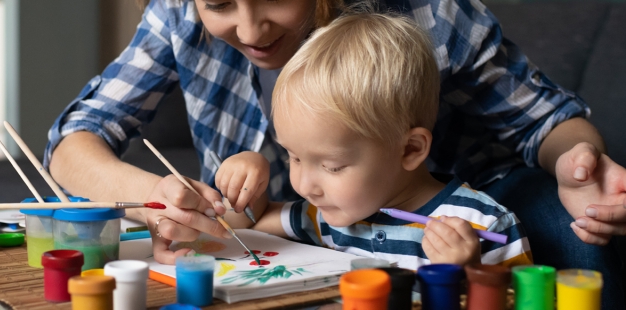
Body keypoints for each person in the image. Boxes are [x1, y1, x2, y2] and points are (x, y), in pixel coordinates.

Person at [44, 0, 625, 307]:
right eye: (219, 2)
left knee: (579, 237)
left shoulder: (431, 12)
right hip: (301, 231)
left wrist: (580, 163)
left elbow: (544, 119)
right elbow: (78, 136)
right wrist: (158, 197)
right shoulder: (177, 12)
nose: (249, 28)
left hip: (452, 207)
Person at [218, 11, 533, 270]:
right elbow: (243, 227)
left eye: (333, 166)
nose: (305, 186)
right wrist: (249, 171)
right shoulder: (326, 217)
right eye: (294, 158)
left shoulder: (485, 226)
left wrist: (465, 274)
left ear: (410, 149)